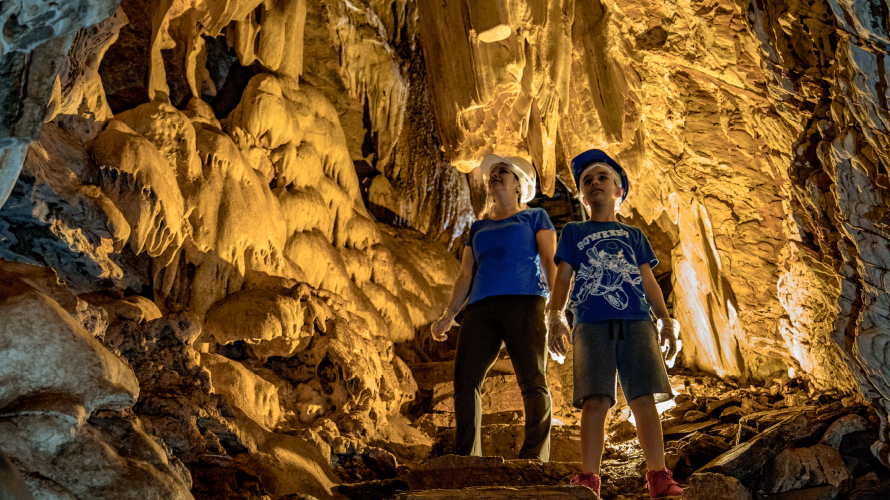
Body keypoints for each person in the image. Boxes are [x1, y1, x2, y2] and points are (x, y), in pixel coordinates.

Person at [547, 149, 683, 498]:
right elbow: (563, 278)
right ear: (582, 194)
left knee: (643, 398)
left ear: (619, 190)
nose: (595, 183)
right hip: (590, 323)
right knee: (595, 399)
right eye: (587, 180)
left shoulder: (633, 235)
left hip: (637, 320)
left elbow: (648, 280)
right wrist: (555, 315)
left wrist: (666, 321)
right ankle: (589, 477)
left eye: (602, 177)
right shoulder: (574, 232)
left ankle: (658, 475)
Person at [431, 154, 557, 461]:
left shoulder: (534, 217)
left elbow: (548, 259)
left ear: (519, 185)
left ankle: (534, 456)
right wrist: (449, 314)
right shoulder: (478, 227)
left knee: (532, 378)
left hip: (525, 300)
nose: (495, 176)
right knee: (465, 378)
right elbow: (465, 273)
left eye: (503, 172)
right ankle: (465, 455)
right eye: (493, 173)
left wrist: (556, 308)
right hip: (480, 307)